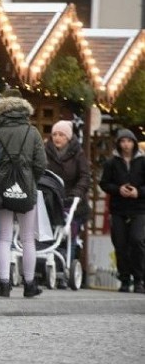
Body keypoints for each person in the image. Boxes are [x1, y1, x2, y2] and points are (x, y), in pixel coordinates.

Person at [0, 89, 47, 298]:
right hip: (26, 188)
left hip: (2, 188)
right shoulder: (32, 132)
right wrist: (29, 179)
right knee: (28, 238)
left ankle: (4, 283)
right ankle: (29, 284)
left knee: (4, 238)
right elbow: (41, 163)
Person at [99, 129, 145, 293]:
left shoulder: (142, 161)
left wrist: (138, 192)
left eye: (129, 141)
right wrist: (118, 189)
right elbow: (104, 183)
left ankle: (139, 279)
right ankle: (124, 278)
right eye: (123, 141)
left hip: (139, 208)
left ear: (134, 143)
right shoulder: (112, 163)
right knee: (120, 244)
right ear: (118, 143)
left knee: (137, 240)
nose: (126, 144)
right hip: (118, 208)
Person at [45, 119, 92, 261]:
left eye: (61, 135)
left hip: (72, 202)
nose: (57, 138)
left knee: (69, 234)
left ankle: (67, 264)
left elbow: (85, 176)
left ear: (68, 137)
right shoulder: (45, 151)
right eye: (54, 134)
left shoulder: (78, 154)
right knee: (48, 233)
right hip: (51, 199)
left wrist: (77, 193)